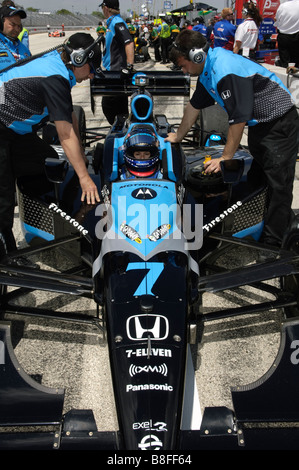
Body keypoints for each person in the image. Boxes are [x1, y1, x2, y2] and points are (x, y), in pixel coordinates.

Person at [165, 29, 299, 256]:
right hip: (261, 125)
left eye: (183, 65)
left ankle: (273, 245)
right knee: (258, 179)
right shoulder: (208, 71)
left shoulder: (224, 69)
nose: (184, 70)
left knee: (278, 186)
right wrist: (177, 136)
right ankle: (259, 222)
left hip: (279, 123)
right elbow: (193, 107)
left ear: (197, 56)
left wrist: (225, 157)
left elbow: (238, 119)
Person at [0, 32, 102, 264]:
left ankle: (43, 221)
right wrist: (84, 178)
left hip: (13, 131)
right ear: (79, 60)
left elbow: (69, 118)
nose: (93, 73)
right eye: (92, 67)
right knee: (2, 199)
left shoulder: (57, 67)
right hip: (2, 129)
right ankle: (6, 259)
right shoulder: (54, 76)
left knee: (45, 162)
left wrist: (82, 157)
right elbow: (64, 134)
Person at [99, 0, 134, 124]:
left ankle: (121, 131)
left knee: (111, 106)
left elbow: (129, 42)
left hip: (117, 73)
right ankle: (120, 129)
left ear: (106, 8)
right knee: (114, 107)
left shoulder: (117, 22)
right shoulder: (112, 23)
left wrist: (128, 67)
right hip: (112, 72)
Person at [0, 3, 30, 70]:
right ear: (1, 24)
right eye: (12, 24)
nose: (17, 29)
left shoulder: (24, 49)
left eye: (19, 26)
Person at [274, 0, 299, 68]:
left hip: (284, 36)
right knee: (296, 61)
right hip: (297, 35)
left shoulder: (282, 6)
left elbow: (277, 20)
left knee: (285, 63)